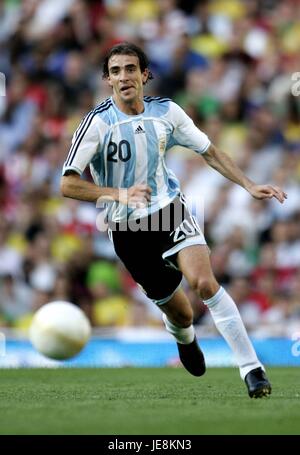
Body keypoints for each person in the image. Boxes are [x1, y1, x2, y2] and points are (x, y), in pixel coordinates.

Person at [61, 42, 287, 398]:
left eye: (131, 69)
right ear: (107, 79)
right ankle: (185, 338)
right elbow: (67, 183)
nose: (124, 76)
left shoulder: (166, 112)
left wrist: (249, 184)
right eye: (116, 70)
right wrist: (120, 195)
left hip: (170, 211)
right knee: (181, 314)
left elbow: (209, 151)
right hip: (127, 229)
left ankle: (252, 369)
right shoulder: (96, 124)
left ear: (144, 75)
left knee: (204, 284)